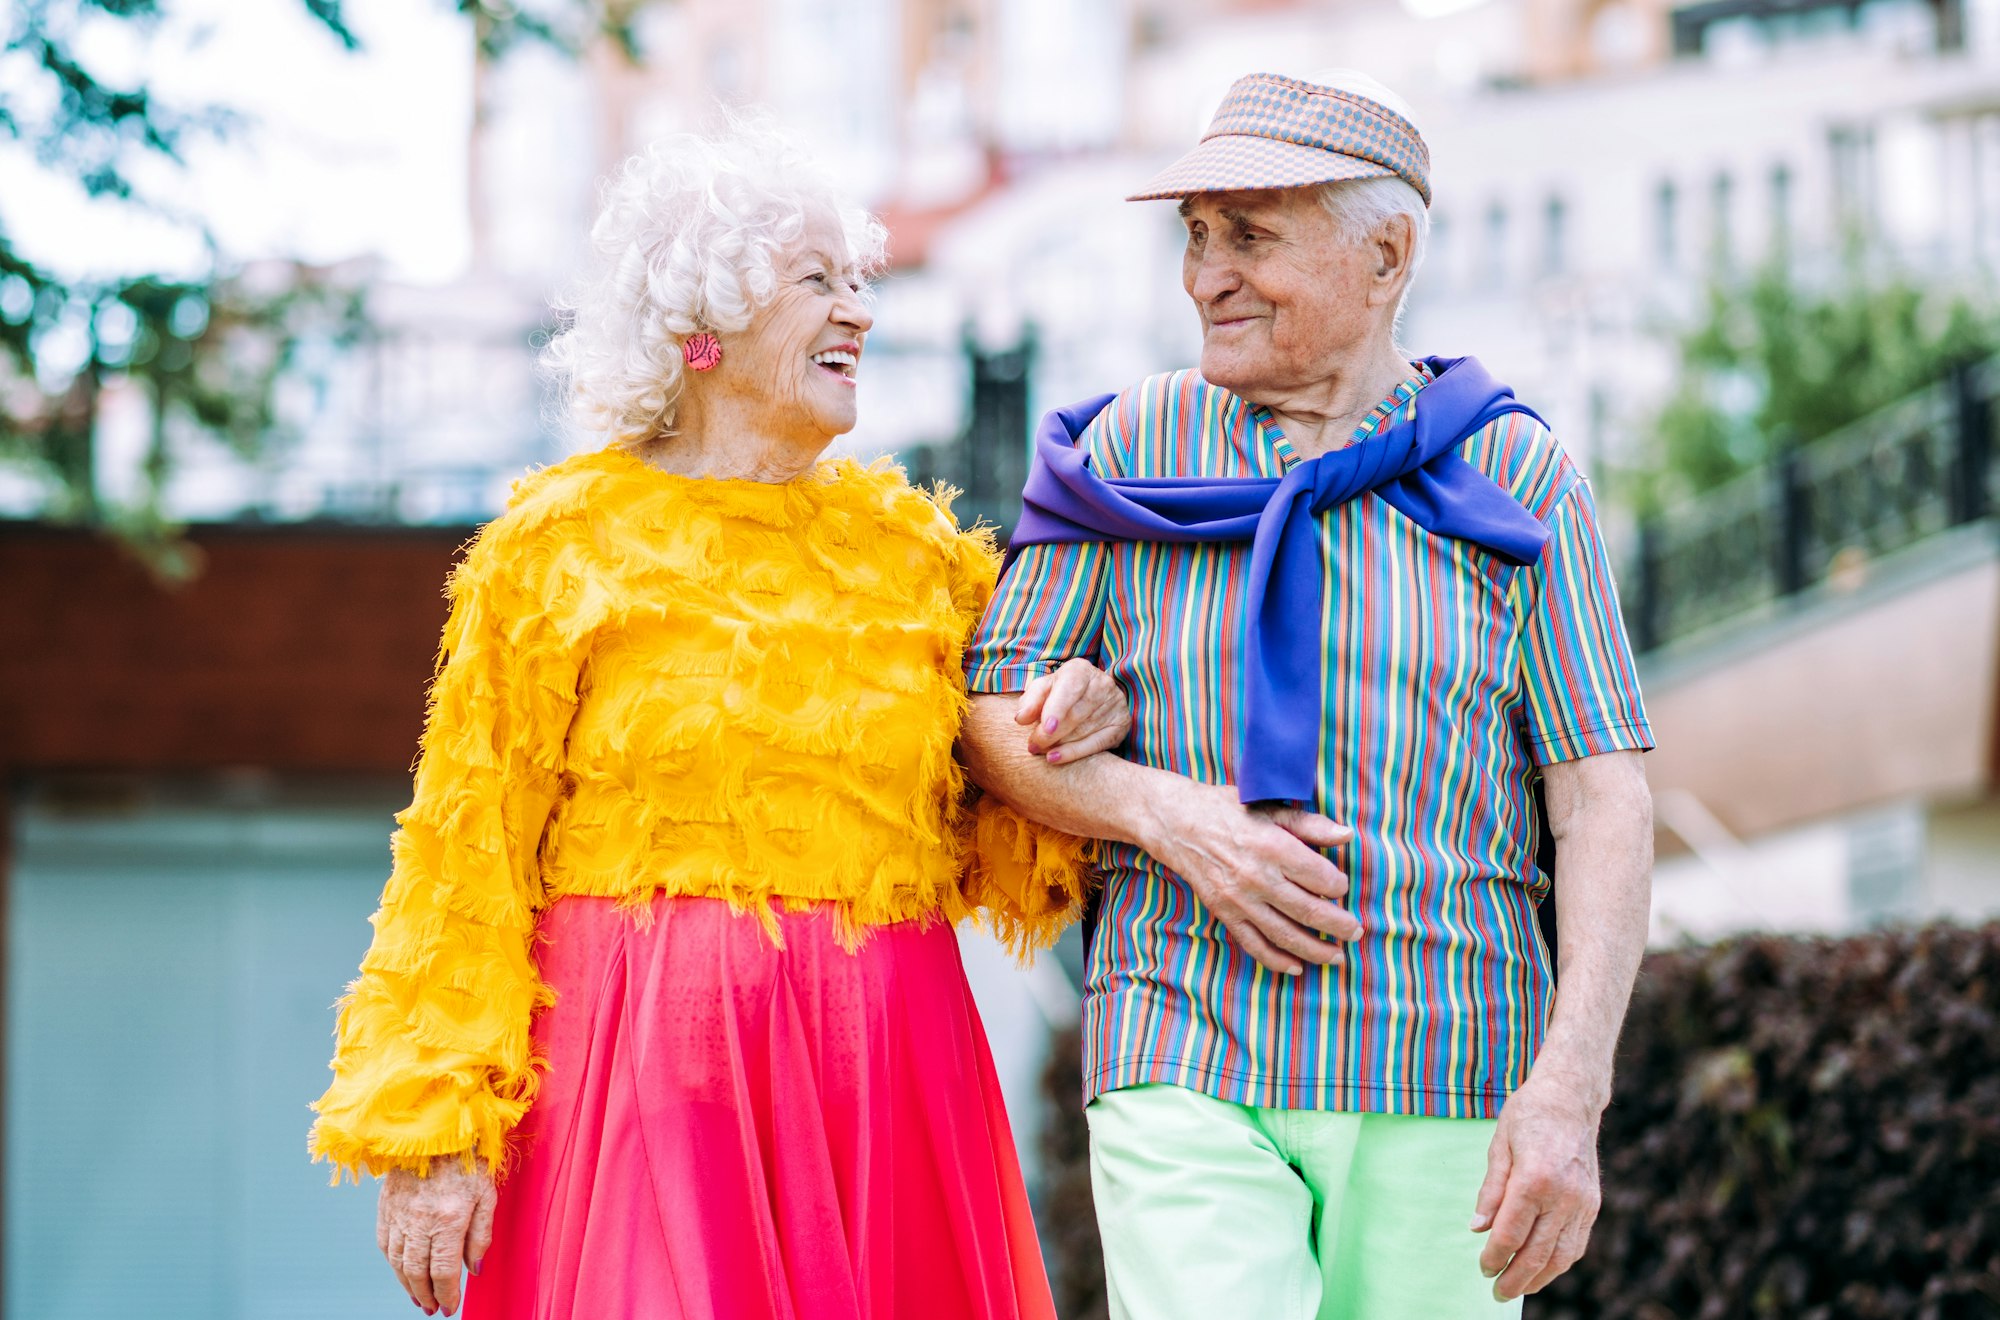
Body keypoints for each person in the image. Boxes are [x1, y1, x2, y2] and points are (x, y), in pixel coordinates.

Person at [309, 121, 1124, 1320]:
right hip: (643, 1072)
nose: (857, 310)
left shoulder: (921, 558)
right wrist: (433, 1130)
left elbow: (1011, 843)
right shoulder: (555, 546)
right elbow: (459, 858)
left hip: (885, 1070)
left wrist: (1079, 708)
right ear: (703, 326)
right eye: (815, 282)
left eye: (859, 281)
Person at [960, 70, 1656, 1318]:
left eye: (1249, 237)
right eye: (1193, 236)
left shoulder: (1515, 473)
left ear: (1384, 256)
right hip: (1181, 1039)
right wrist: (1166, 816)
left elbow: (1599, 796)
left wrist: (1568, 1091)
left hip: (1450, 1061)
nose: (1203, 276)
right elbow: (987, 717)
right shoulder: (1122, 454)